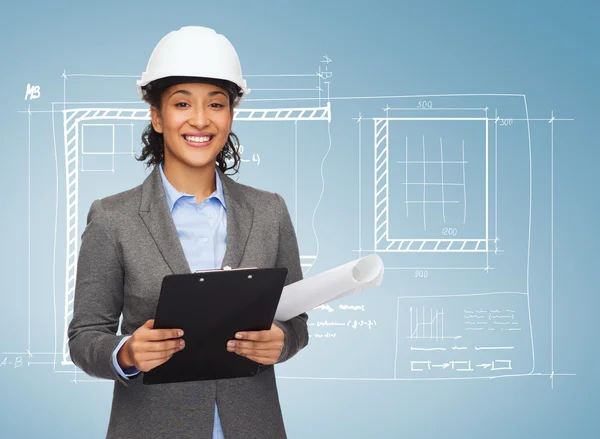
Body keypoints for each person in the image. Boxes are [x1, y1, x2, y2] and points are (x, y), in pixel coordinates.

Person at [67, 26, 309, 439]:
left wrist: (282, 340)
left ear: (231, 115)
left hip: (253, 426)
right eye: (182, 103)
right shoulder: (112, 218)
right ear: (157, 117)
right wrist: (126, 353)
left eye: (216, 104)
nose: (200, 119)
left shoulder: (270, 211)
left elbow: (296, 319)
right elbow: (85, 336)